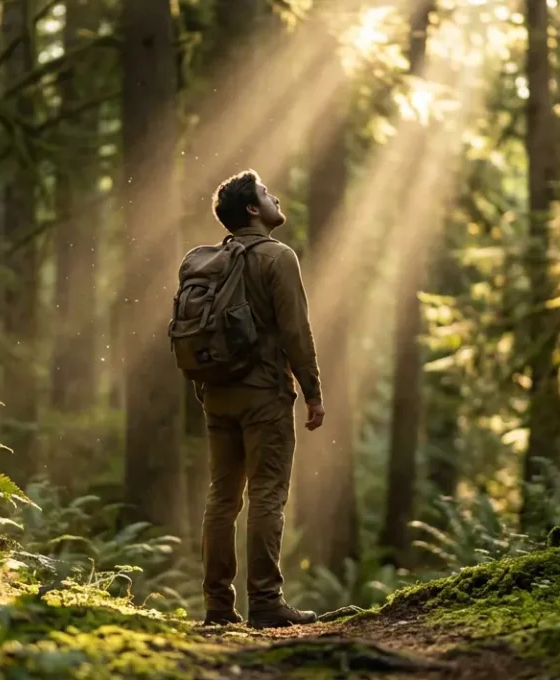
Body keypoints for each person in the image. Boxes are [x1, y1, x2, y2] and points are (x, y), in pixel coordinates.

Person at [195, 169, 326, 628]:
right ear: (253, 210)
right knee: (267, 495)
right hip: (264, 394)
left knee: (222, 498)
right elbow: (295, 331)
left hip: (217, 394)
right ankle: (266, 602)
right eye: (267, 194)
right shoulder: (277, 257)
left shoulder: (212, 260)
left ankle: (217, 606)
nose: (275, 198)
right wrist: (312, 391)